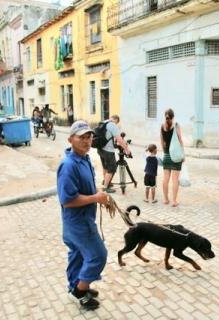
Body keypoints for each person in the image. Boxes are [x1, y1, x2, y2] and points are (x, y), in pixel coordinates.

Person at [56, 120, 110, 311]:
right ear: (71, 139)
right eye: (82, 137)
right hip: (78, 222)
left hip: (82, 220)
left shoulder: (85, 158)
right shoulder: (68, 165)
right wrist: (96, 198)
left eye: (89, 137)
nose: (87, 141)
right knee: (98, 255)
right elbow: (67, 200)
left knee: (78, 255)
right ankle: (81, 290)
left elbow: (85, 188)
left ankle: (75, 285)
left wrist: (97, 193)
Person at [97, 115, 131, 193]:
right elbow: (119, 139)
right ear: (116, 120)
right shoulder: (112, 125)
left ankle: (105, 181)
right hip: (108, 150)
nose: (116, 124)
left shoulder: (103, 122)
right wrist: (127, 149)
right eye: (117, 122)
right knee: (112, 168)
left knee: (105, 167)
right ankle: (106, 187)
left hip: (100, 148)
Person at [160, 108, 183, 207]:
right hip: (176, 155)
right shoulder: (176, 125)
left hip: (166, 154)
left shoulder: (162, 126)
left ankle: (165, 199)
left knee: (166, 178)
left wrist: (165, 152)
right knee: (175, 179)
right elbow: (180, 140)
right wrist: (183, 154)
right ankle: (173, 201)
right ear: (173, 116)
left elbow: (162, 141)